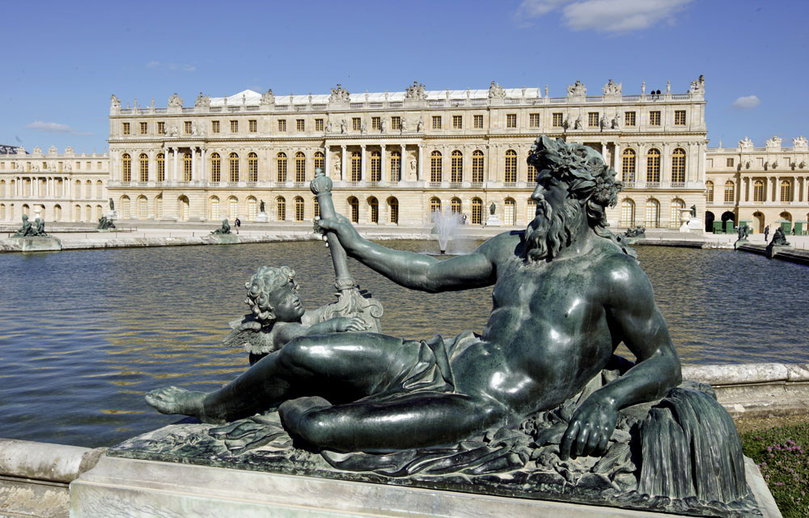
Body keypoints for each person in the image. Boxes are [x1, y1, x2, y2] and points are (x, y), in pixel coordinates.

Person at [146, 136, 681, 460]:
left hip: (483, 405)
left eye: (548, 189)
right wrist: (355, 243)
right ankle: (211, 406)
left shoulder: (614, 274)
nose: (535, 195)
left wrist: (608, 399)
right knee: (301, 353)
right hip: (438, 359)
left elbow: (664, 361)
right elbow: (429, 274)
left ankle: (316, 406)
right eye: (536, 185)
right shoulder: (513, 249)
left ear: (582, 200)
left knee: (318, 429)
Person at [225, 266, 367, 365]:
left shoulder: (297, 317)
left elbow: (317, 314)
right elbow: (307, 332)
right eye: (285, 300)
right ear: (270, 311)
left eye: (293, 292)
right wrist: (336, 324)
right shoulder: (281, 330)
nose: (294, 298)